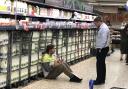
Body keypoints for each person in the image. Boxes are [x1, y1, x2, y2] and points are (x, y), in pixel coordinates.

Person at [93, 16, 110, 85]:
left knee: (99, 65)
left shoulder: (103, 28)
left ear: (99, 22)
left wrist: (99, 48)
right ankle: (102, 79)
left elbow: (103, 40)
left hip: (102, 49)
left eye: (95, 23)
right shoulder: (102, 27)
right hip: (103, 48)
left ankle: (99, 80)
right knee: (102, 64)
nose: (95, 25)